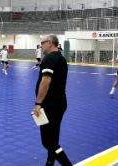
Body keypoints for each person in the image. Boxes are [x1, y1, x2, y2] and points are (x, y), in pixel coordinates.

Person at [33, 35, 72, 166]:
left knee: (48, 142)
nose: (41, 45)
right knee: (53, 139)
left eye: (42, 43)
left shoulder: (49, 59)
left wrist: (38, 103)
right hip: (60, 103)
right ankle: (49, 163)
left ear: (50, 43)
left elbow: (45, 82)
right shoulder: (61, 58)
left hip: (49, 105)